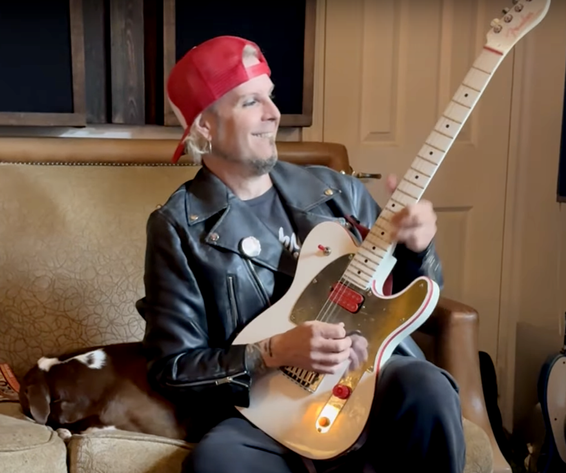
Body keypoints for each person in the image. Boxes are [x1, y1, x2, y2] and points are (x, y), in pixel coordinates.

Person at [137, 35, 465, 473]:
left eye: (271, 98)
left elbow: (405, 301)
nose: (273, 114)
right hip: (268, 408)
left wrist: (416, 250)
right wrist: (270, 352)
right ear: (204, 126)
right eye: (251, 102)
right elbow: (172, 368)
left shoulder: (338, 191)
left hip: (369, 380)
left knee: (429, 388)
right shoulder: (178, 227)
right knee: (216, 462)